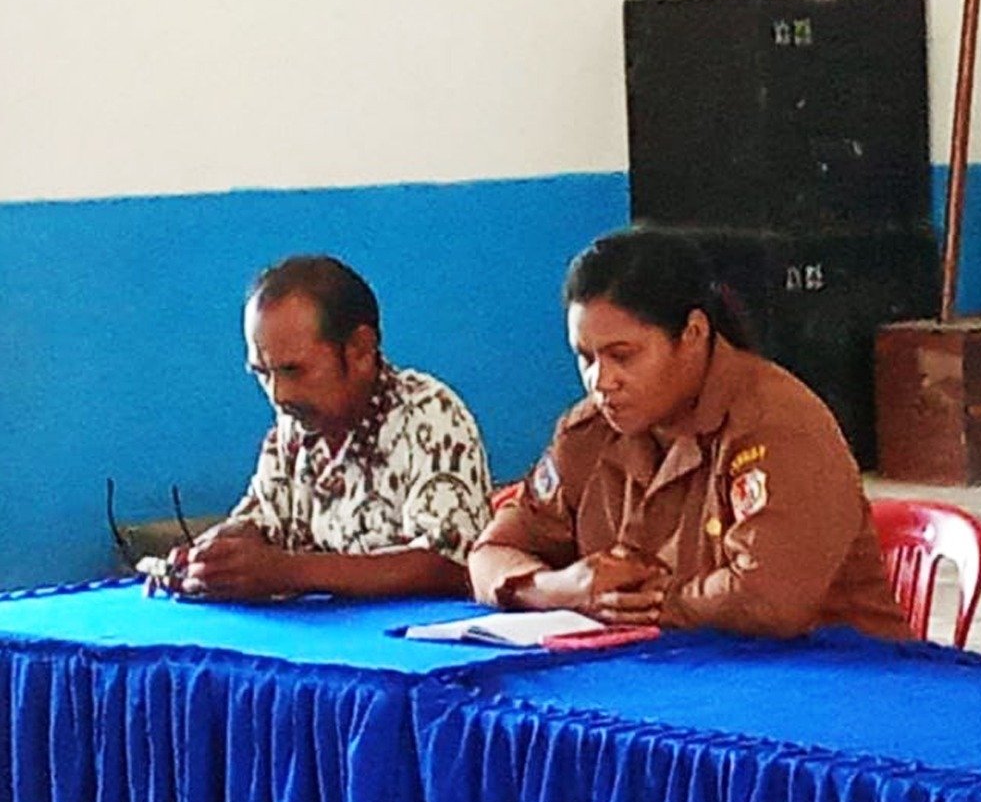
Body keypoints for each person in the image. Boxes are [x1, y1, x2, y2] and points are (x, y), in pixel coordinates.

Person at [468, 226, 909, 641]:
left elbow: (769, 600)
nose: (600, 381)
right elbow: (491, 553)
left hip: (837, 673)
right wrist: (560, 589)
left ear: (693, 333)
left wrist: (645, 603)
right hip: (673, 669)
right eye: (586, 358)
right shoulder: (589, 433)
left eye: (623, 356)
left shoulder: (776, 427)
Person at [161, 255, 492, 600]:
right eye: (262, 373)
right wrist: (211, 562)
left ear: (361, 350)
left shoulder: (430, 416)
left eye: (293, 370)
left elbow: (449, 564)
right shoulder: (293, 429)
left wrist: (287, 571)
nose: (278, 395)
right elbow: (260, 525)